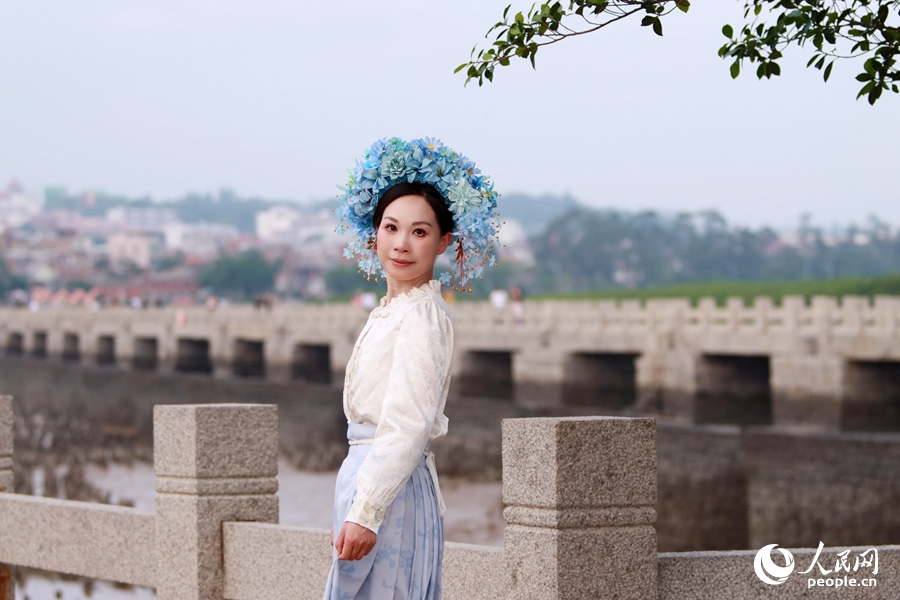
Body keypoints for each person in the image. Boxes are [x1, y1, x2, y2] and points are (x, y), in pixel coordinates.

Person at [324, 137, 500, 600]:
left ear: (444, 241)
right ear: (373, 233)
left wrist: (367, 513)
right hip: (370, 480)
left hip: (390, 491)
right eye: (391, 227)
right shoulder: (395, 309)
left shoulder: (422, 315)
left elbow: (408, 424)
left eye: (420, 232)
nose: (401, 244)